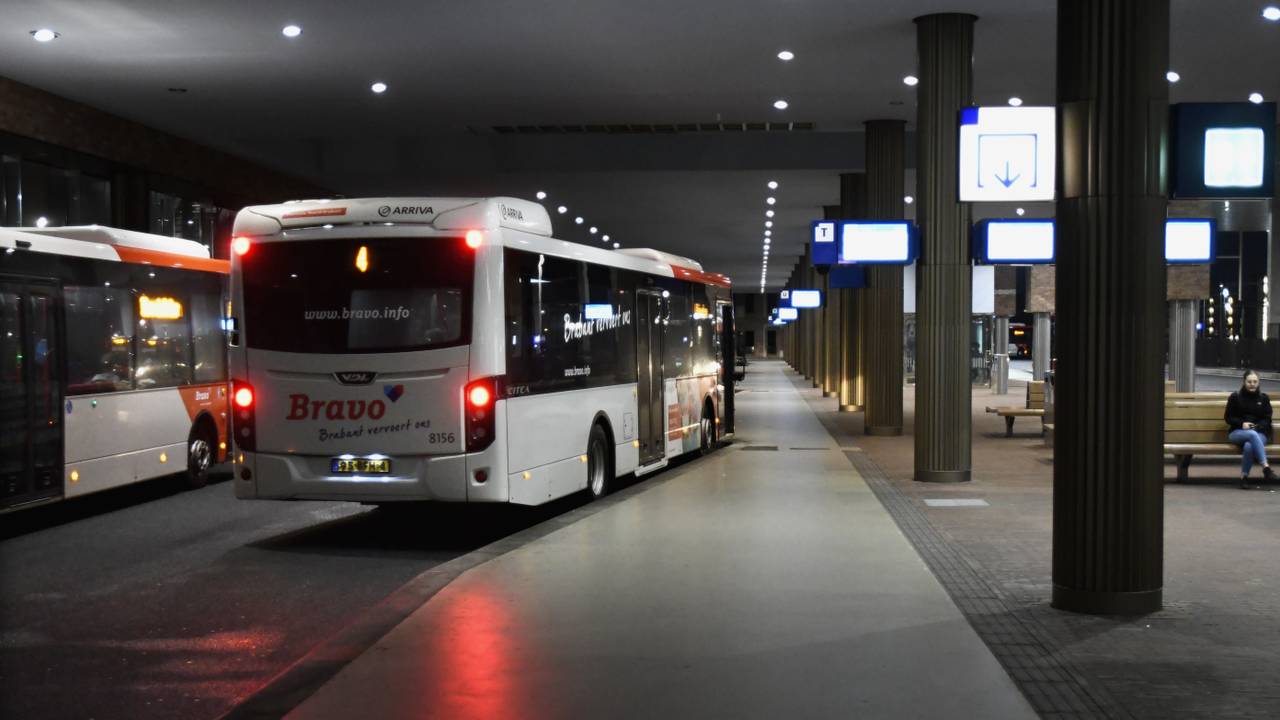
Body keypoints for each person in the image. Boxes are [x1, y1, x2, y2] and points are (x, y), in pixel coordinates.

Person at [1225, 370, 1276, 489]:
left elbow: (1267, 419)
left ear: (1258, 383)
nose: (1252, 384)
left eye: (1255, 381)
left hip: (1260, 433)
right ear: (1244, 382)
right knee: (1251, 435)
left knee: (1249, 446)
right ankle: (1266, 468)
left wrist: (1258, 426)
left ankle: (1244, 477)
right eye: (1249, 381)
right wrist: (1242, 423)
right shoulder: (1235, 397)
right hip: (1237, 432)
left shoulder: (1263, 398)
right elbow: (1228, 417)